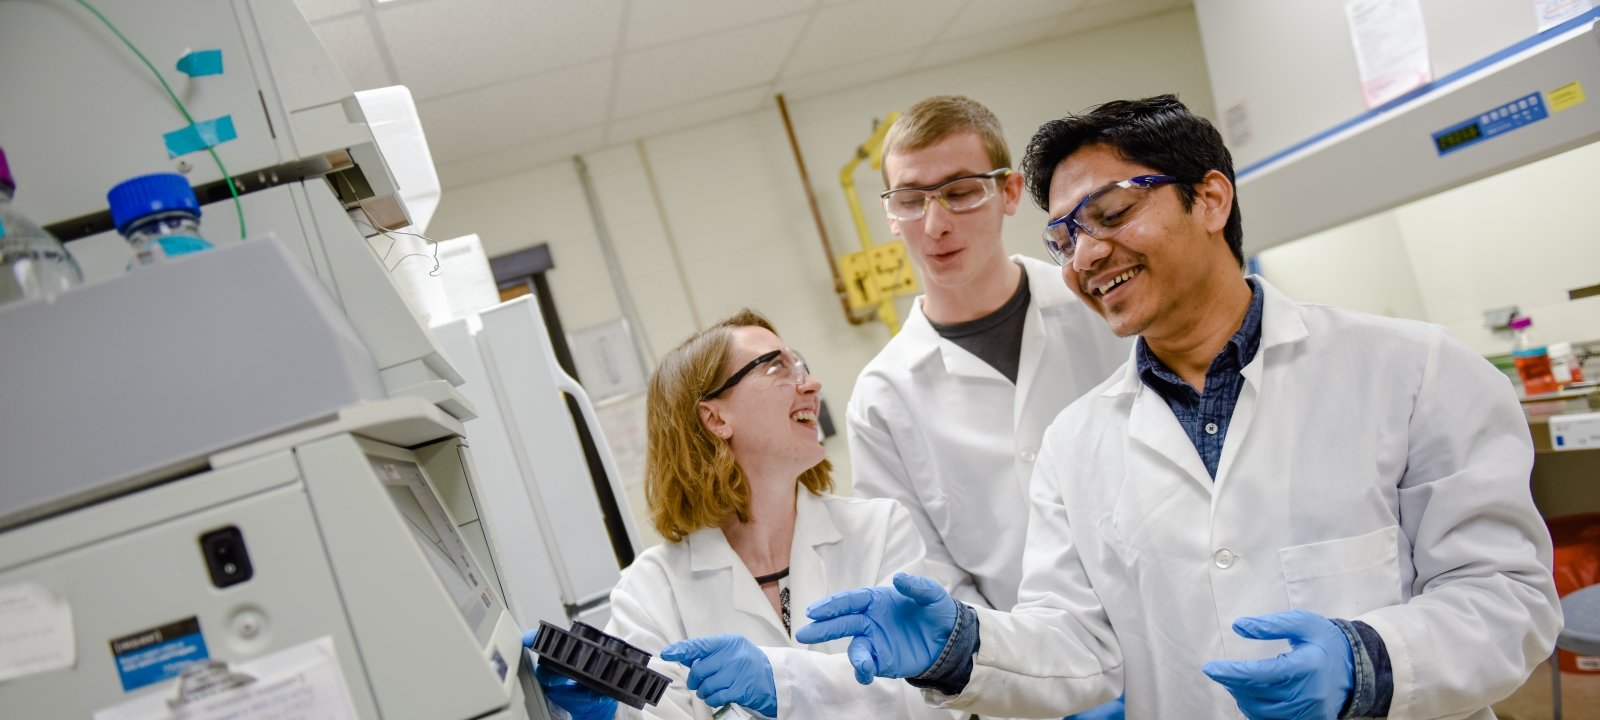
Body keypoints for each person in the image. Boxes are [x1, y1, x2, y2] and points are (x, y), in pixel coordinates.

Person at [797, 95, 1562, 719]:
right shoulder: (1078, 442)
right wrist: (961, 648)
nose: (1086, 253)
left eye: (1111, 212)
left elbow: (1508, 601)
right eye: (1064, 236)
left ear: (1211, 198)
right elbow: (1081, 641)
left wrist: (1370, 662)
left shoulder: (1412, 370)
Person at [527, 309, 968, 720]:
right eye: (777, 367)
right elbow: (659, 711)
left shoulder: (880, 531)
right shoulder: (651, 590)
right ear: (715, 418)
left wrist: (782, 684)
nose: (811, 385)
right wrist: (612, 712)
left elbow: (928, 694)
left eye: (804, 366)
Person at [849, 94, 1129, 720]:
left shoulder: (1102, 302)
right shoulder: (883, 397)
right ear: (891, 215)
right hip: (1034, 692)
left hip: (1178, 640)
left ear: (1009, 192)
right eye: (911, 199)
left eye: (959, 191)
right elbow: (927, 578)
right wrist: (1032, 682)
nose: (935, 223)